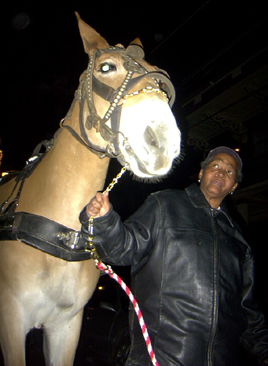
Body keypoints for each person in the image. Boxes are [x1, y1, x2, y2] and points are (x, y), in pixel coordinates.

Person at [80, 146, 268, 366]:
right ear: (201, 173)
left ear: (234, 185)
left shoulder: (238, 240)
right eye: (215, 165)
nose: (220, 172)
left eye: (229, 171)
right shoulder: (165, 204)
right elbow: (123, 247)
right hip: (162, 357)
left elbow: (248, 311)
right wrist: (104, 220)